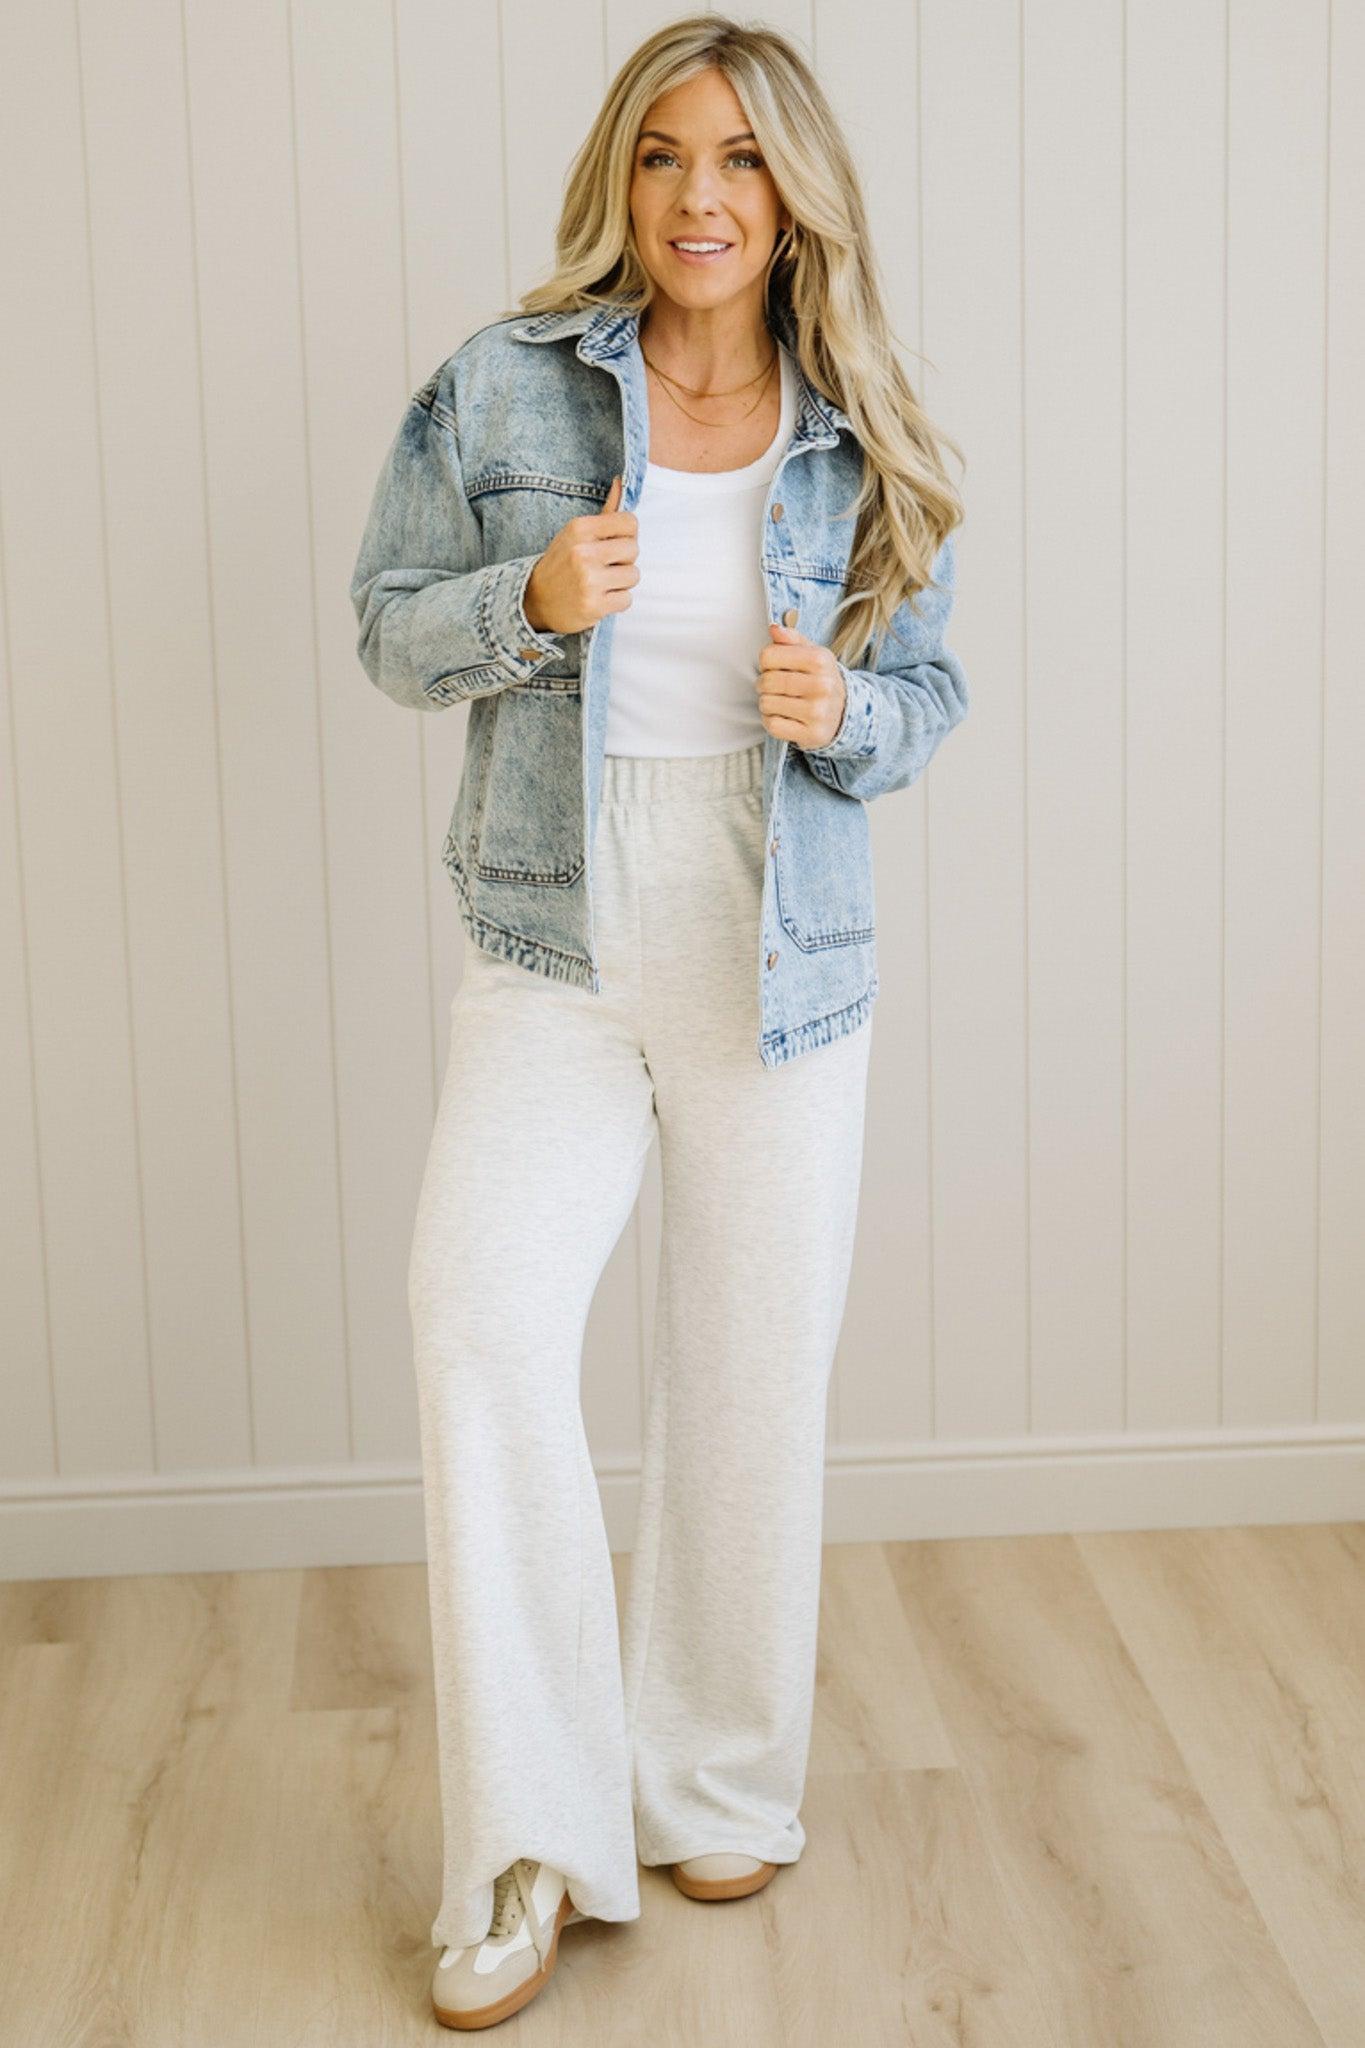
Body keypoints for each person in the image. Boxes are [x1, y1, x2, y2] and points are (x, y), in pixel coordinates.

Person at [349, 14, 969, 2031]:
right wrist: (528, 595)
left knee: (744, 1373)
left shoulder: (853, 418)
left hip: (774, 951)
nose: (696, 196)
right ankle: (524, 1836)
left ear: (793, 193)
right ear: (617, 182)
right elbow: (380, 621)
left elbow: (925, 701)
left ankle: (712, 1771)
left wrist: (840, 718)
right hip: (553, 934)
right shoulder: (504, 384)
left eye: (736, 160)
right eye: (658, 158)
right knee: (479, 1312)